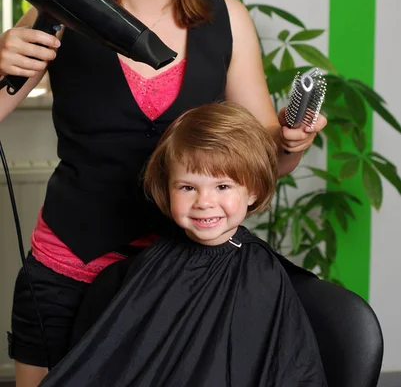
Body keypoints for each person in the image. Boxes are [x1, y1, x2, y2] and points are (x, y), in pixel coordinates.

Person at [0, 0, 327, 387]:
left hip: (184, 275)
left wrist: (292, 143)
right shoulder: (57, 11)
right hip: (67, 268)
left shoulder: (226, 18)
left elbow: (259, 163)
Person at [38, 102, 327, 387]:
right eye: (188, 187)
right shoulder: (153, 264)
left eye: (222, 186)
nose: (204, 202)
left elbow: (266, 368)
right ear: (167, 189)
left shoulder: (260, 275)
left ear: (253, 190)